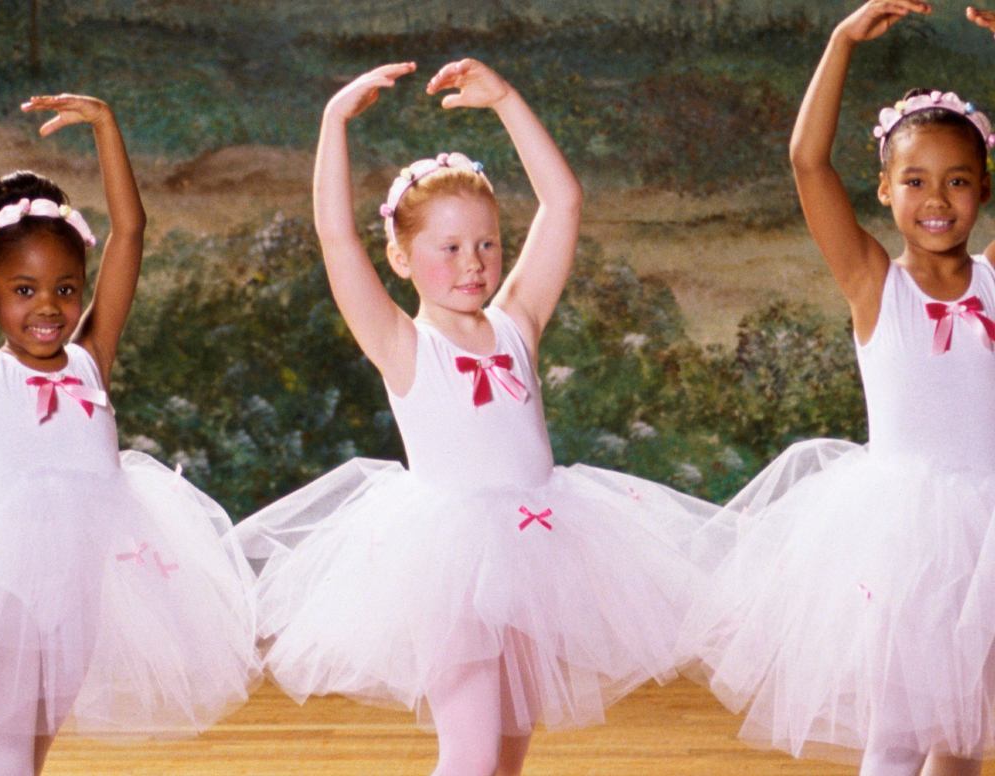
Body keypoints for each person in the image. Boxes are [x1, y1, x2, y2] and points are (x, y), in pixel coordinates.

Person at [235, 58, 715, 776]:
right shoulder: (402, 344)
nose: (474, 263)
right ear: (399, 257)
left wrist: (507, 101)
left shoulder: (518, 323)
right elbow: (336, 238)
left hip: (538, 552)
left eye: (487, 244)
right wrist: (334, 123)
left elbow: (564, 203)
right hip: (447, 564)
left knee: (509, 753)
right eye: (450, 248)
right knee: (467, 751)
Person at [679, 3, 995, 775]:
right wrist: (839, 42)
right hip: (903, 531)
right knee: (898, 732)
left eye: (958, 181)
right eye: (915, 179)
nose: (937, 198)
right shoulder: (873, 283)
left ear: (984, 189)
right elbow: (807, 163)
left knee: (963, 736)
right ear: (883, 189)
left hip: (989, 530)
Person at [0, 90, 259, 775]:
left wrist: (107, 124)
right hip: (1, 592)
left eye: (66, 289)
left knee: (31, 751)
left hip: (80, 590)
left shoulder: (89, 359)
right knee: (5, 752)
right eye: (23, 290)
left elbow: (129, 231)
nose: (48, 307)